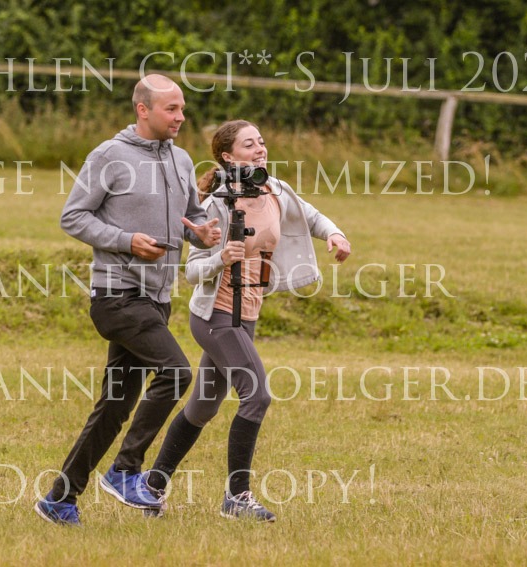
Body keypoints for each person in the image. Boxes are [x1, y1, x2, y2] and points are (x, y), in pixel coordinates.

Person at [34, 75, 221, 526]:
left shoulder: (180, 159)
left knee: (115, 406)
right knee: (176, 373)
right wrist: (126, 240)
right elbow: (73, 217)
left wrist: (202, 234)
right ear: (143, 109)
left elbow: (192, 219)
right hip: (117, 296)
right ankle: (125, 470)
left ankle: (59, 499)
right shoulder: (109, 155)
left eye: (182, 108)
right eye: (171, 109)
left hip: (157, 299)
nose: (180, 117)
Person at [144, 120, 351, 521]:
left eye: (261, 142)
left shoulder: (275, 190)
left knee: (202, 408)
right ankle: (237, 497)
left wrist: (335, 235)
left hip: (248, 315)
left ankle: (151, 486)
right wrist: (222, 259)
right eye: (249, 144)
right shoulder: (216, 205)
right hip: (216, 317)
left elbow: (311, 216)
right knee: (257, 395)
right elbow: (191, 271)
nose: (260, 149)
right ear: (227, 156)